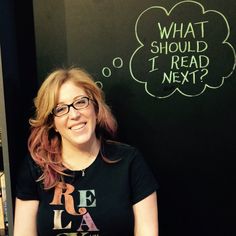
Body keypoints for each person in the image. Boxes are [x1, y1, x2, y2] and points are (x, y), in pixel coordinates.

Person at [14, 67, 159, 236]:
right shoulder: (35, 167)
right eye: (60, 109)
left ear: (95, 108)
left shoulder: (129, 162)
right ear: (52, 122)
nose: (74, 114)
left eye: (80, 102)